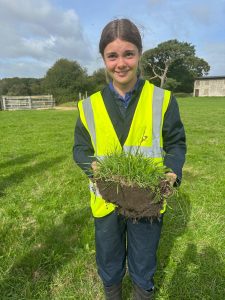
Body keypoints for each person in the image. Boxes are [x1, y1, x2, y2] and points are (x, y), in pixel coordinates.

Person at [73, 18, 186, 300]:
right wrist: (93, 166)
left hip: (147, 199)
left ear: (139, 55)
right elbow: (80, 148)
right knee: (109, 260)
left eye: (128, 54)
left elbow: (175, 143)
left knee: (144, 259)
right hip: (106, 198)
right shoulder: (89, 106)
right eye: (112, 56)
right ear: (103, 59)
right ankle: (112, 292)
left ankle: (141, 292)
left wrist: (172, 172)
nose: (120, 63)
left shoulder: (162, 99)